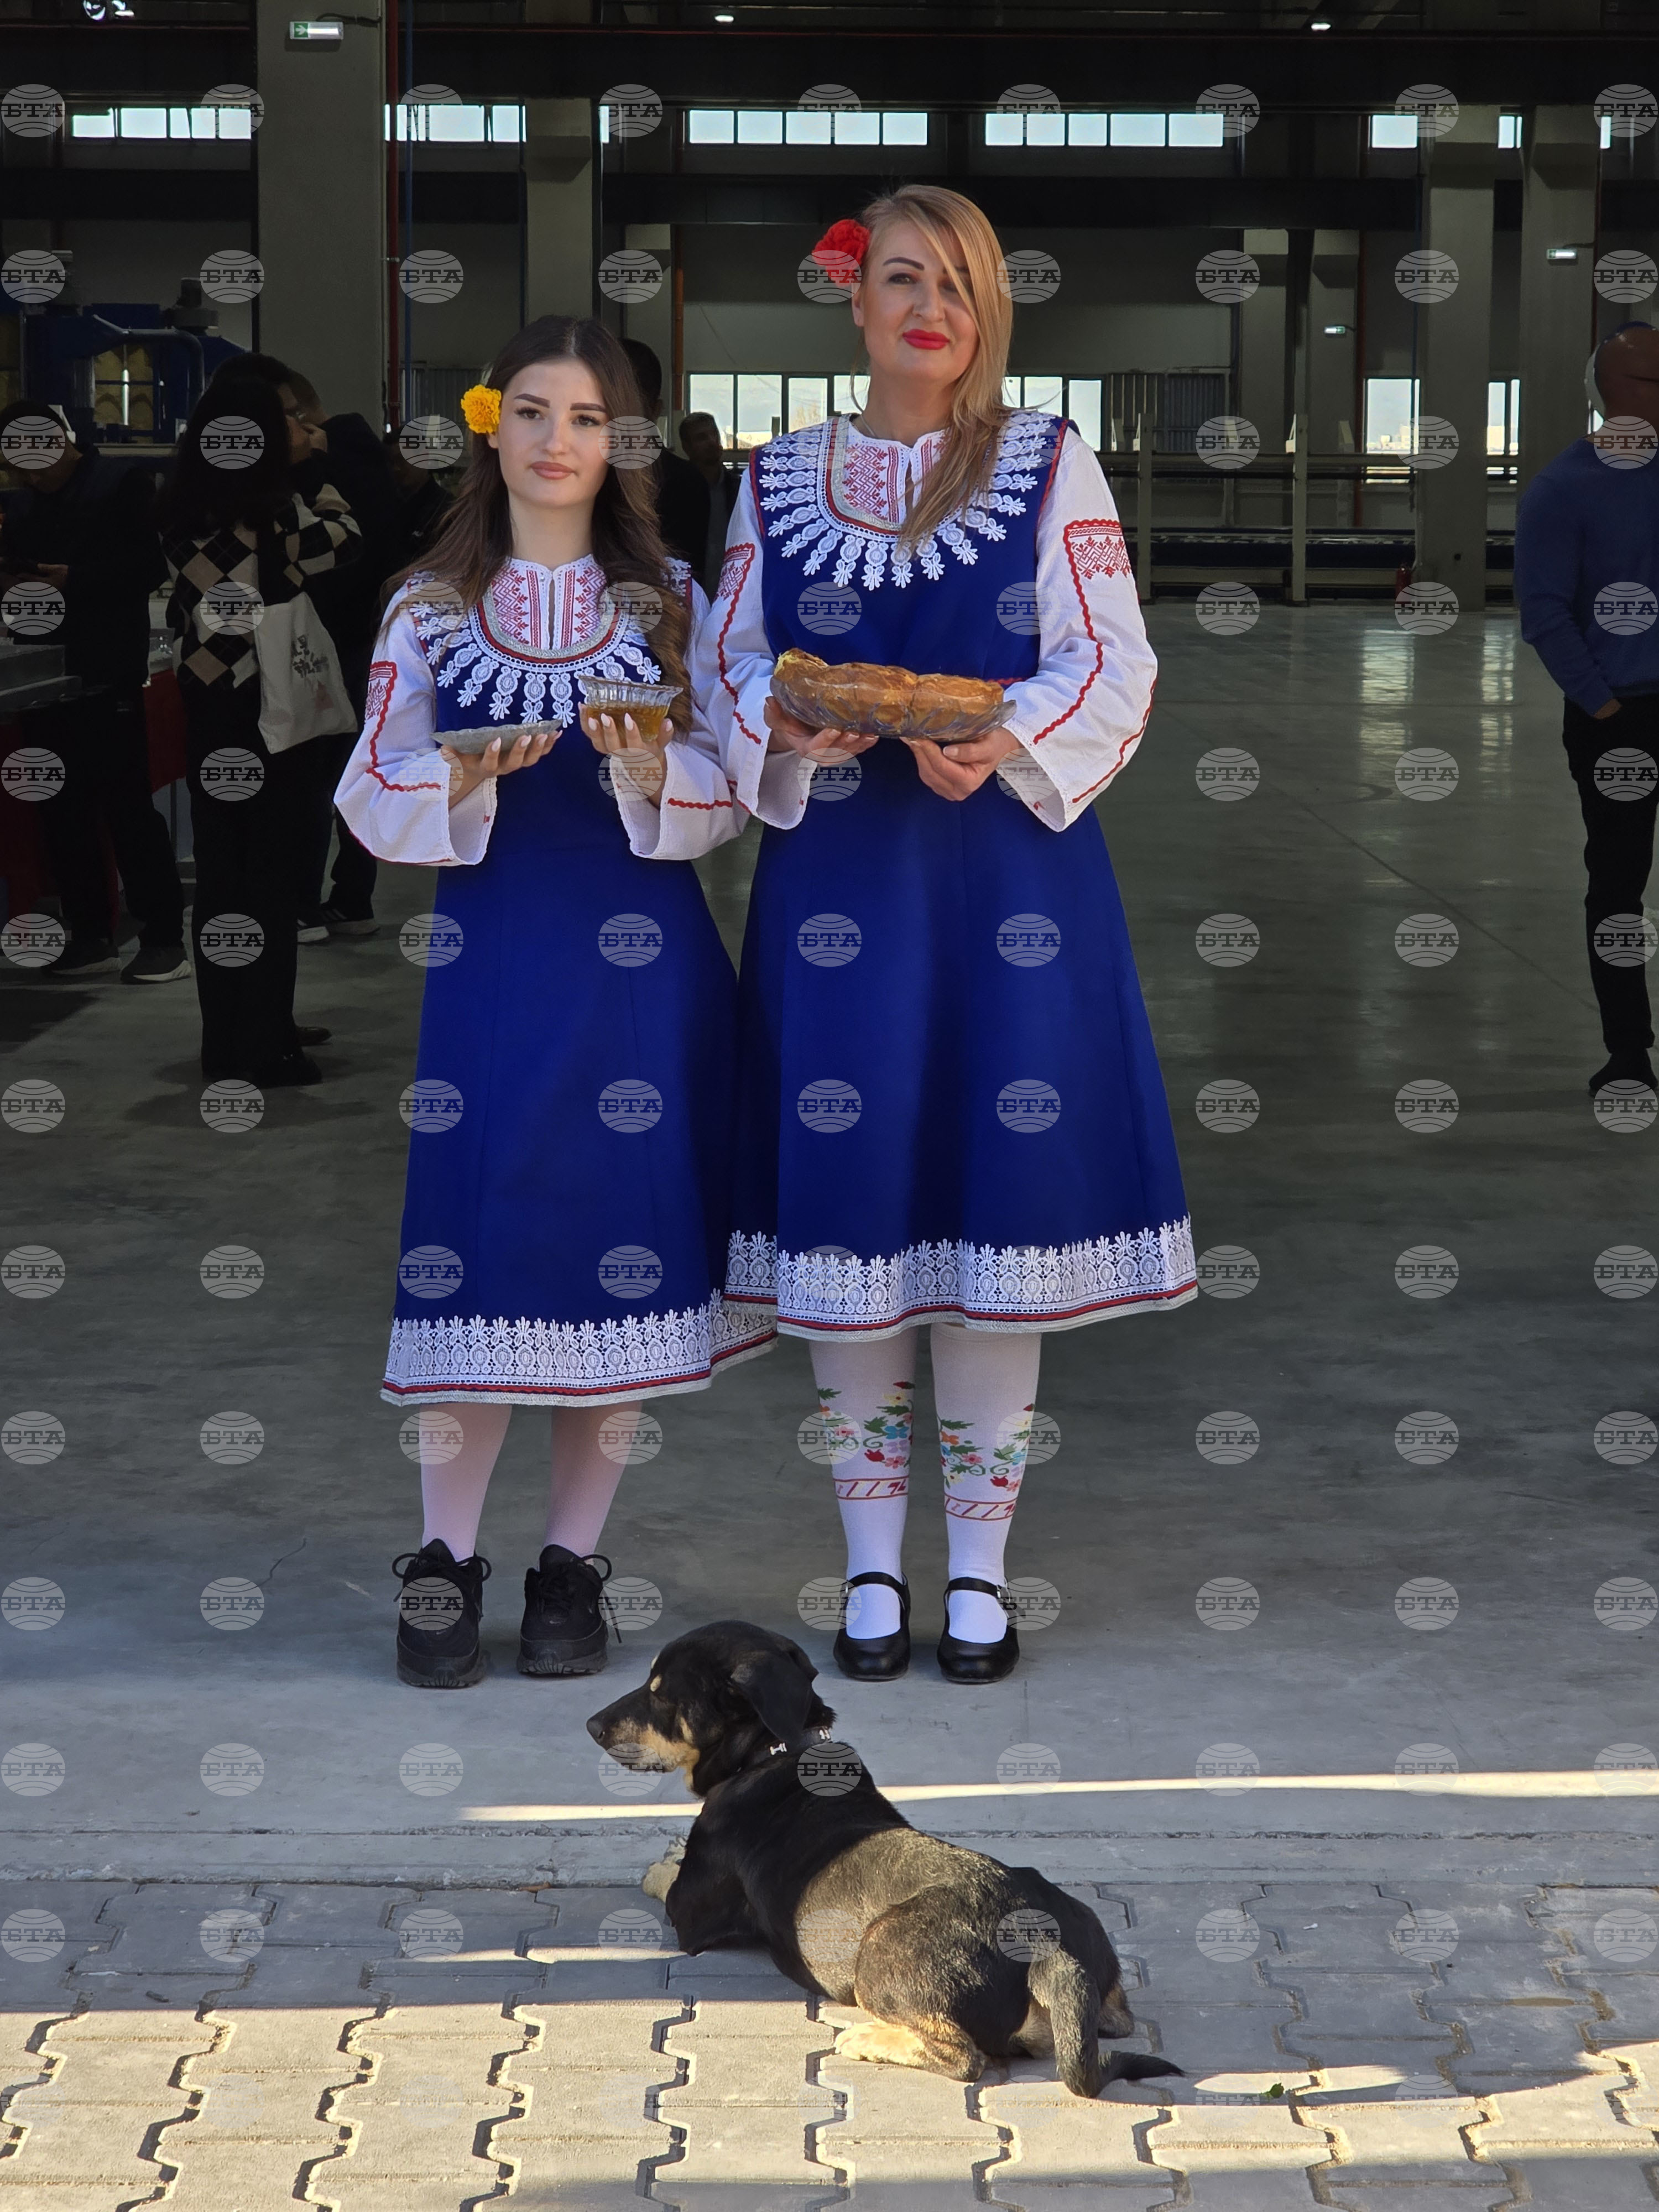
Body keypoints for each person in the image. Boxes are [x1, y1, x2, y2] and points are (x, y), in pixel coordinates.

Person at [704, 185, 1194, 1687]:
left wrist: (1006, 737)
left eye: (963, 287)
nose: (933, 309)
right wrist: (779, 726)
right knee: (854, 1226)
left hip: (1008, 889)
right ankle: (866, 1563)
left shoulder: (1051, 460)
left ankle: (976, 1572)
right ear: (852, 300)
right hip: (839, 883)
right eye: (904, 279)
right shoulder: (780, 474)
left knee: (999, 1236)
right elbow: (727, 657)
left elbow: (1112, 656)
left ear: (991, 315)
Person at [335, 315, 773, 1691]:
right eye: (532, 411)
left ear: (623, 441)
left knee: (620, 1264)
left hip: (650, 979)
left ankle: (572, 1564)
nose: (556, 440)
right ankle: (443, 1559)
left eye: (588, 418)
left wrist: (650, 774)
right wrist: (467, 778)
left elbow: (729, 792)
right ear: (492, 426)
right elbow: (366, 790)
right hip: (495, 974)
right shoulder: (426, 605)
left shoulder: (673, 605)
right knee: (473, 1250)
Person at [160, 377, 359, 1085]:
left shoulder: (181, 509)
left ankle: (229, 1043)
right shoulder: (276, 512)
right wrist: (318, 465)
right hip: (270, 711)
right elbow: (344, 540)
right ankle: (269, 1045)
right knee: (273, 883)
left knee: (222, 881)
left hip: (210, 709)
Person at [206, 353, 398, 941]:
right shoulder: (273, 496)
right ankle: (313, 902)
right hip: (283, 661)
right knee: (312, 788)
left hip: (319, 647)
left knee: (322, 780)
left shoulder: (323, 468)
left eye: (289, 415)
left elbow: (347, 547)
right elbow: (330, 544)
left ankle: (316, 901)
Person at [1516, 321, 1659, 1095]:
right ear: (1613, 395)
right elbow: (1543, 612)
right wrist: (1603, 706)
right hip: (1621, 725)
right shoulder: (1564, 490)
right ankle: (1630, 1052)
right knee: (1618, 886)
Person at [0, 398, 187, 983]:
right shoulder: (25, 502)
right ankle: (89, 933)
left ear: (60, 438)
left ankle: (163, 938)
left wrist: (75, 580)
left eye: (37, 459)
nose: (30, 474)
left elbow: (149, 569)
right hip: (43, 673)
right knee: (62, 809)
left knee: (126, 806)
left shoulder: (119, 484)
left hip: (107, 670)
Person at [619, 337, 708, 573]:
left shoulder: (685, 484)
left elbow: (686, 579)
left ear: (654, 411)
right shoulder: (580, 473)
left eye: (626, 406)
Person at [678, 410, 742, 601]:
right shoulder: (676, 492)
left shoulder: (738, 490)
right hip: (690, 594)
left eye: (714, 434)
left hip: (732, 594)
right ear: (687, 447)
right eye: (701, 438)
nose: (711, 442)